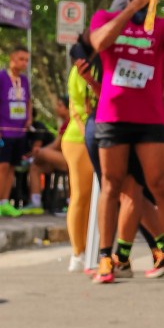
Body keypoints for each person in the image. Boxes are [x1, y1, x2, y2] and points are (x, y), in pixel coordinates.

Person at [88, 0, 164, 285]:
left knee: (161, 185)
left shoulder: (160, 25)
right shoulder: (105, 17)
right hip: (113, 116)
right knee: (111, 185)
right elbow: (99, 43)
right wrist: (132, 8)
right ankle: (106, 258)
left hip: (150, 119)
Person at [0, 47, 43, 216]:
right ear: (12, 58)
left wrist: (29, 119)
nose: (24, 63)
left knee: (12, 166)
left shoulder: (24, 80)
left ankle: (5, 201)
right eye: (21, 59)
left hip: (19, 131)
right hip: (4, 130)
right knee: (2, 165)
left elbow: (28, 101)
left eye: (26, 60)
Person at [63, 45, 100, 272]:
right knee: (81, 195)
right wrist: (90, 137)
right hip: (78, 139)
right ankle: (78, 252)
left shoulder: (109, 64)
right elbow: (77, 110)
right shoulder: (79, 71)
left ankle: (102, 251)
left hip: (107, 136)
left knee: (106, 196)